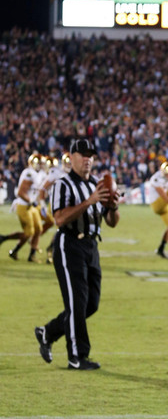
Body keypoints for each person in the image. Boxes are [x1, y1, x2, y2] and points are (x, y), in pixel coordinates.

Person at [34, 138, 120, 370]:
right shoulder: (63, 184)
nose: (87, 160)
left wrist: (113, 206)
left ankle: (48, 332)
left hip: (91, 246)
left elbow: (112, 222)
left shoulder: (97, 184)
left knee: (91, 304)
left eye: (90, 156)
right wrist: (89, 201)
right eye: (82, 155)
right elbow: (59, 219)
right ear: (71, 157)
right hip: (70, 244)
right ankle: (77, 356)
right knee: (76, 303)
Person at [1, 152, 44, 261]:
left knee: (38, 229)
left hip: (31, 207)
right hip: (24, 205)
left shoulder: (37, 173)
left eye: (40, 163)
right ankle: (7, 241)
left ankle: (31, 255)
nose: (40, 165)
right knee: (29, 232)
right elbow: (20, 192)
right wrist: (31, 200)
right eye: (38, 163)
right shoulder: (29, 173)